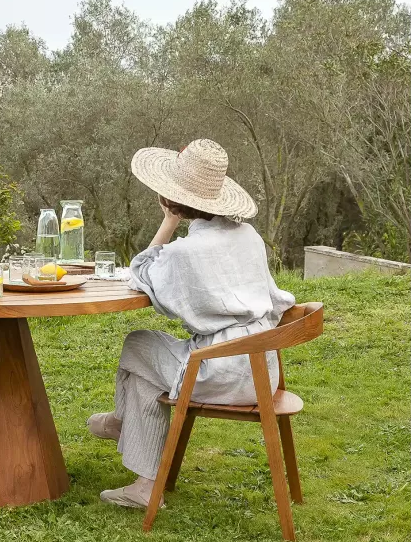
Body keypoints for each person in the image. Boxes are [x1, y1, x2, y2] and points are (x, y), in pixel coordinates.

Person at [88, 138, 295, 509]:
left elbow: (142, 272)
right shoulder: (248, 236)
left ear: (171, 198)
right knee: (143, 356)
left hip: (220, 370)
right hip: (261, 368)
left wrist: (167, 222)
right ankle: (131, 444)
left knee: (137, 347)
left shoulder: (188, 252)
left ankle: (134, 451)